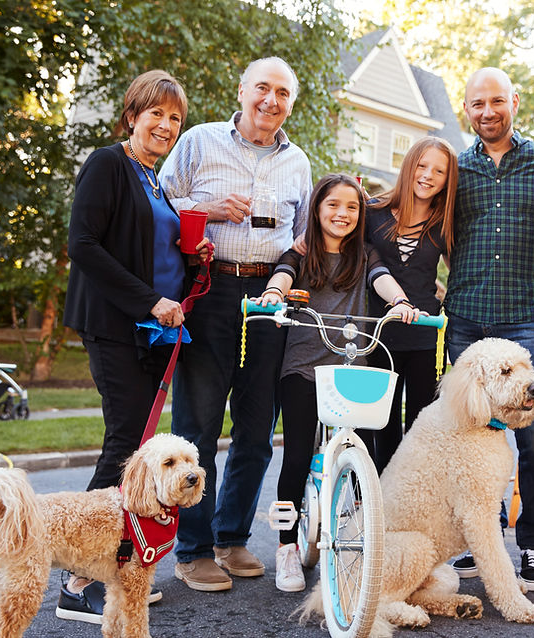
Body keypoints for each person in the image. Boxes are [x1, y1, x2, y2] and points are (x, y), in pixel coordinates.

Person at [157, 57, 313, 592]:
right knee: (197, 428)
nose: (272, 100)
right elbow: (156, 201)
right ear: (242, 90)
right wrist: (206, 208)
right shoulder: (199, 140)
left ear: (293, 102)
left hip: (271, 296)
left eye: (283, 93)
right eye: (263, 89)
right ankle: (193, 549)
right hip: (209, 287)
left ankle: (231, 537)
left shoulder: (299, 162)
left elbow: (305, 235)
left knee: (256, 431)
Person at [61, 70, 204, 621]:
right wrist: (149, 300)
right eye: (156, 114)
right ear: (132, 117)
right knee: (126, 443)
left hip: (154, 330)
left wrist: (196, 254)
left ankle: (114, 568)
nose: (165, 126)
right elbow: (84, 245)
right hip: (117, 324)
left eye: (174, 118)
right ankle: (78, 579)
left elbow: (151, 246)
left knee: (137, 447)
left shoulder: (154, 178)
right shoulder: (108, 164)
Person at [253, 174, 421, 592]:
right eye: (333, 205)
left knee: (367, 448)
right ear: (317, 209)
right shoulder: (302, 251)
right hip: (304, 369)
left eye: (351, 207)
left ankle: (361, 532)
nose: (342, 214)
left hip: (350, 369)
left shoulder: (365, 255)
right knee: (294, 458)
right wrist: (274, 294)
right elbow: (282, 276)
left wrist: (399, 302)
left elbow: (382, 280)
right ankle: (287, 547)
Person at [444, 67, 534, 591]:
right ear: (466, 109)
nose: (487, 112)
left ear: (514, 101)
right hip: (466, 317)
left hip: (526, 317)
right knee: (470, 436)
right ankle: (480, 534)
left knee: (533, 437)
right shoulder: (454, 168)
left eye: (496, 101)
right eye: (476, 104)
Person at [358, 136, 457, 473]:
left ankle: (413, 496)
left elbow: (460, 270)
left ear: (448, 179)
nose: (428, 175)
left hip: (424, 336)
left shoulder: (445, 221)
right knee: (380, 420)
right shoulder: (372, 212)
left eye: (439, 171)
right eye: (422, 165)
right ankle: (379, 494)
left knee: (421, 422)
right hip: (379, 333)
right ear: (409, 166)